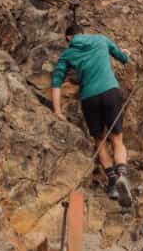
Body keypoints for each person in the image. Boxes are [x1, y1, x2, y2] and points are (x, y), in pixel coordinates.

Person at [51, 24, 134, 206]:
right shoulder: (100, 39)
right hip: (110, 91)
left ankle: (112, 181)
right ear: (82, 33)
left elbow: (56, 81)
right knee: (117, 139)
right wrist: (125, 53)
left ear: (69, 38)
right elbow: (123, 58)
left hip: (89, 98)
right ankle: (121, 176)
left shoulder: (67, 54)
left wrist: (57, 111)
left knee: (100, 140)